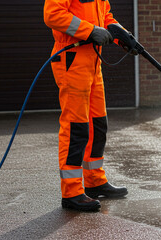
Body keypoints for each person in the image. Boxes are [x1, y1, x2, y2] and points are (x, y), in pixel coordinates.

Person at [43, 0, 129, 211]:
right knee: (76, 127)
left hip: (92, 61)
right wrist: (89, 31)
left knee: (98, 123)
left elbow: (106, 17)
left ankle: (95, 181)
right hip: (71, 59)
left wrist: (124, 37)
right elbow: (52, 14)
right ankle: (71, 192)